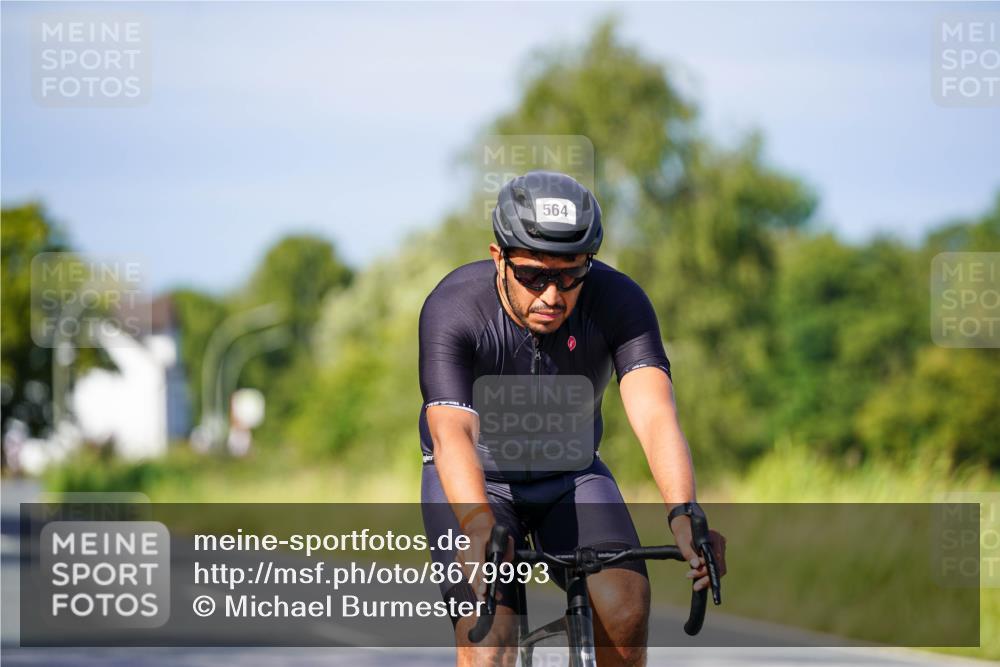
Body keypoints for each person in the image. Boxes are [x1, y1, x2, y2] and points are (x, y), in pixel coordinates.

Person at [419, 170, 727, 666]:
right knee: (491, 640)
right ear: (498, 257)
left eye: (570, 276)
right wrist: (476, 523)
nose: (551, 295)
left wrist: (683, 511)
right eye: (532, 276)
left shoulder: (620, 301)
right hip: (479, 478)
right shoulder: (455, 306)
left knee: (625, 607)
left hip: (571, 475)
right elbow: (451, 431)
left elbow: (654, 413)